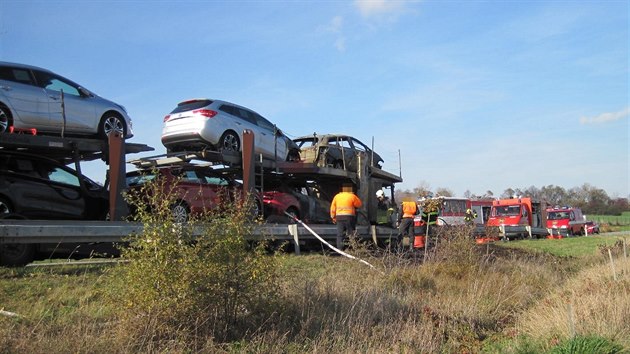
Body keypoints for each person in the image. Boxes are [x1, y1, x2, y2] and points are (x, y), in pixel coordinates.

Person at [330, 183, 362, 250]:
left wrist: (333, 217)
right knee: (351, 234)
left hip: (339, 218)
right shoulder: (352, 196)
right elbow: (359, 204)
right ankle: (354, 249)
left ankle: (340, 250)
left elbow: (332, 208)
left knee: (340, 235)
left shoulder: (337, 196)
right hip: (349, 217)